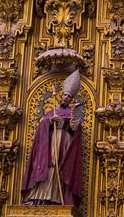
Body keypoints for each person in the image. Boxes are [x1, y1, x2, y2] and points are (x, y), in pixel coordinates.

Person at [21, 70, 83, 206]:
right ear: (61, 96)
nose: (66, 98)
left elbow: (75, 130)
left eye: (69, 97)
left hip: (65, 141)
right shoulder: (52, 111)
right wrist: (50, 121)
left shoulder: (71, 112)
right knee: (48, 165)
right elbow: (42, 125)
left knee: (59, 166)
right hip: (50, 142)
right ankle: (39, 198)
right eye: (65, 95)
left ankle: (57, 199)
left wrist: (74, 121)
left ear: (71, 99)